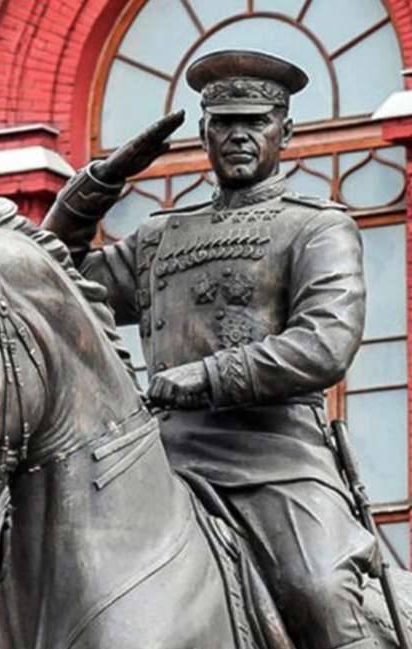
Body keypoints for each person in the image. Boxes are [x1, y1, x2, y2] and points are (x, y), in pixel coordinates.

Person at [44, 49, 378, 648]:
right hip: (162, 460)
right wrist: (98, 185)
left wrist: (209, 376)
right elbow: (54, 283)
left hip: (274, 459)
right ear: (204, 133)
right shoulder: (160, 237)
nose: (240, 136)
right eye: (225, 123)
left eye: (256, 122)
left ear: (286, 131)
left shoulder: (315, 227)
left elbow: (325, 343)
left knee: (320, 591)